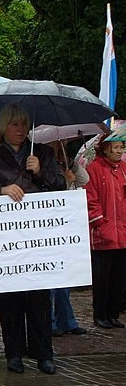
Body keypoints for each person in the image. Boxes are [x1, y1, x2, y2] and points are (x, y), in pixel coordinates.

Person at [0, 104, 66, 375]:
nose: (21, 129)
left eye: (24, 124)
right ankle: (14, 354)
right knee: (10, 297)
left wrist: (40, 172)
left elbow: (61, 186)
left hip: (37, 238)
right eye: (14, 124)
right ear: (3, 127)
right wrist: (0, 189)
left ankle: (43, 353)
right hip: (5, 239)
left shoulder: (42, 153)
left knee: (39, 297)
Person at [84, 136, 126, 329]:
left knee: (118, 276)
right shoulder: (94, 169)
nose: (119, 151)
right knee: (102, 278)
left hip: (122, 231)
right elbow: (89, 197)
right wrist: (98, 220)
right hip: (102, 232)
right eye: (116, 147)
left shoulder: (124, 169)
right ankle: (100, 314)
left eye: (121, 147)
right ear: (106, 148)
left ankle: (113, 314)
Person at [48, 140, 88, 337]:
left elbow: (84, 180)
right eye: (57, 142)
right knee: (49, 279)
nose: (60, 144)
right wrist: (64, 180)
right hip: (50, 226)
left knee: (65, 276)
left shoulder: (66, 162)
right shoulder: (42, 163)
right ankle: (50, 321)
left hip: (68, 224)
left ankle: (67, 319)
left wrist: (69, 163)